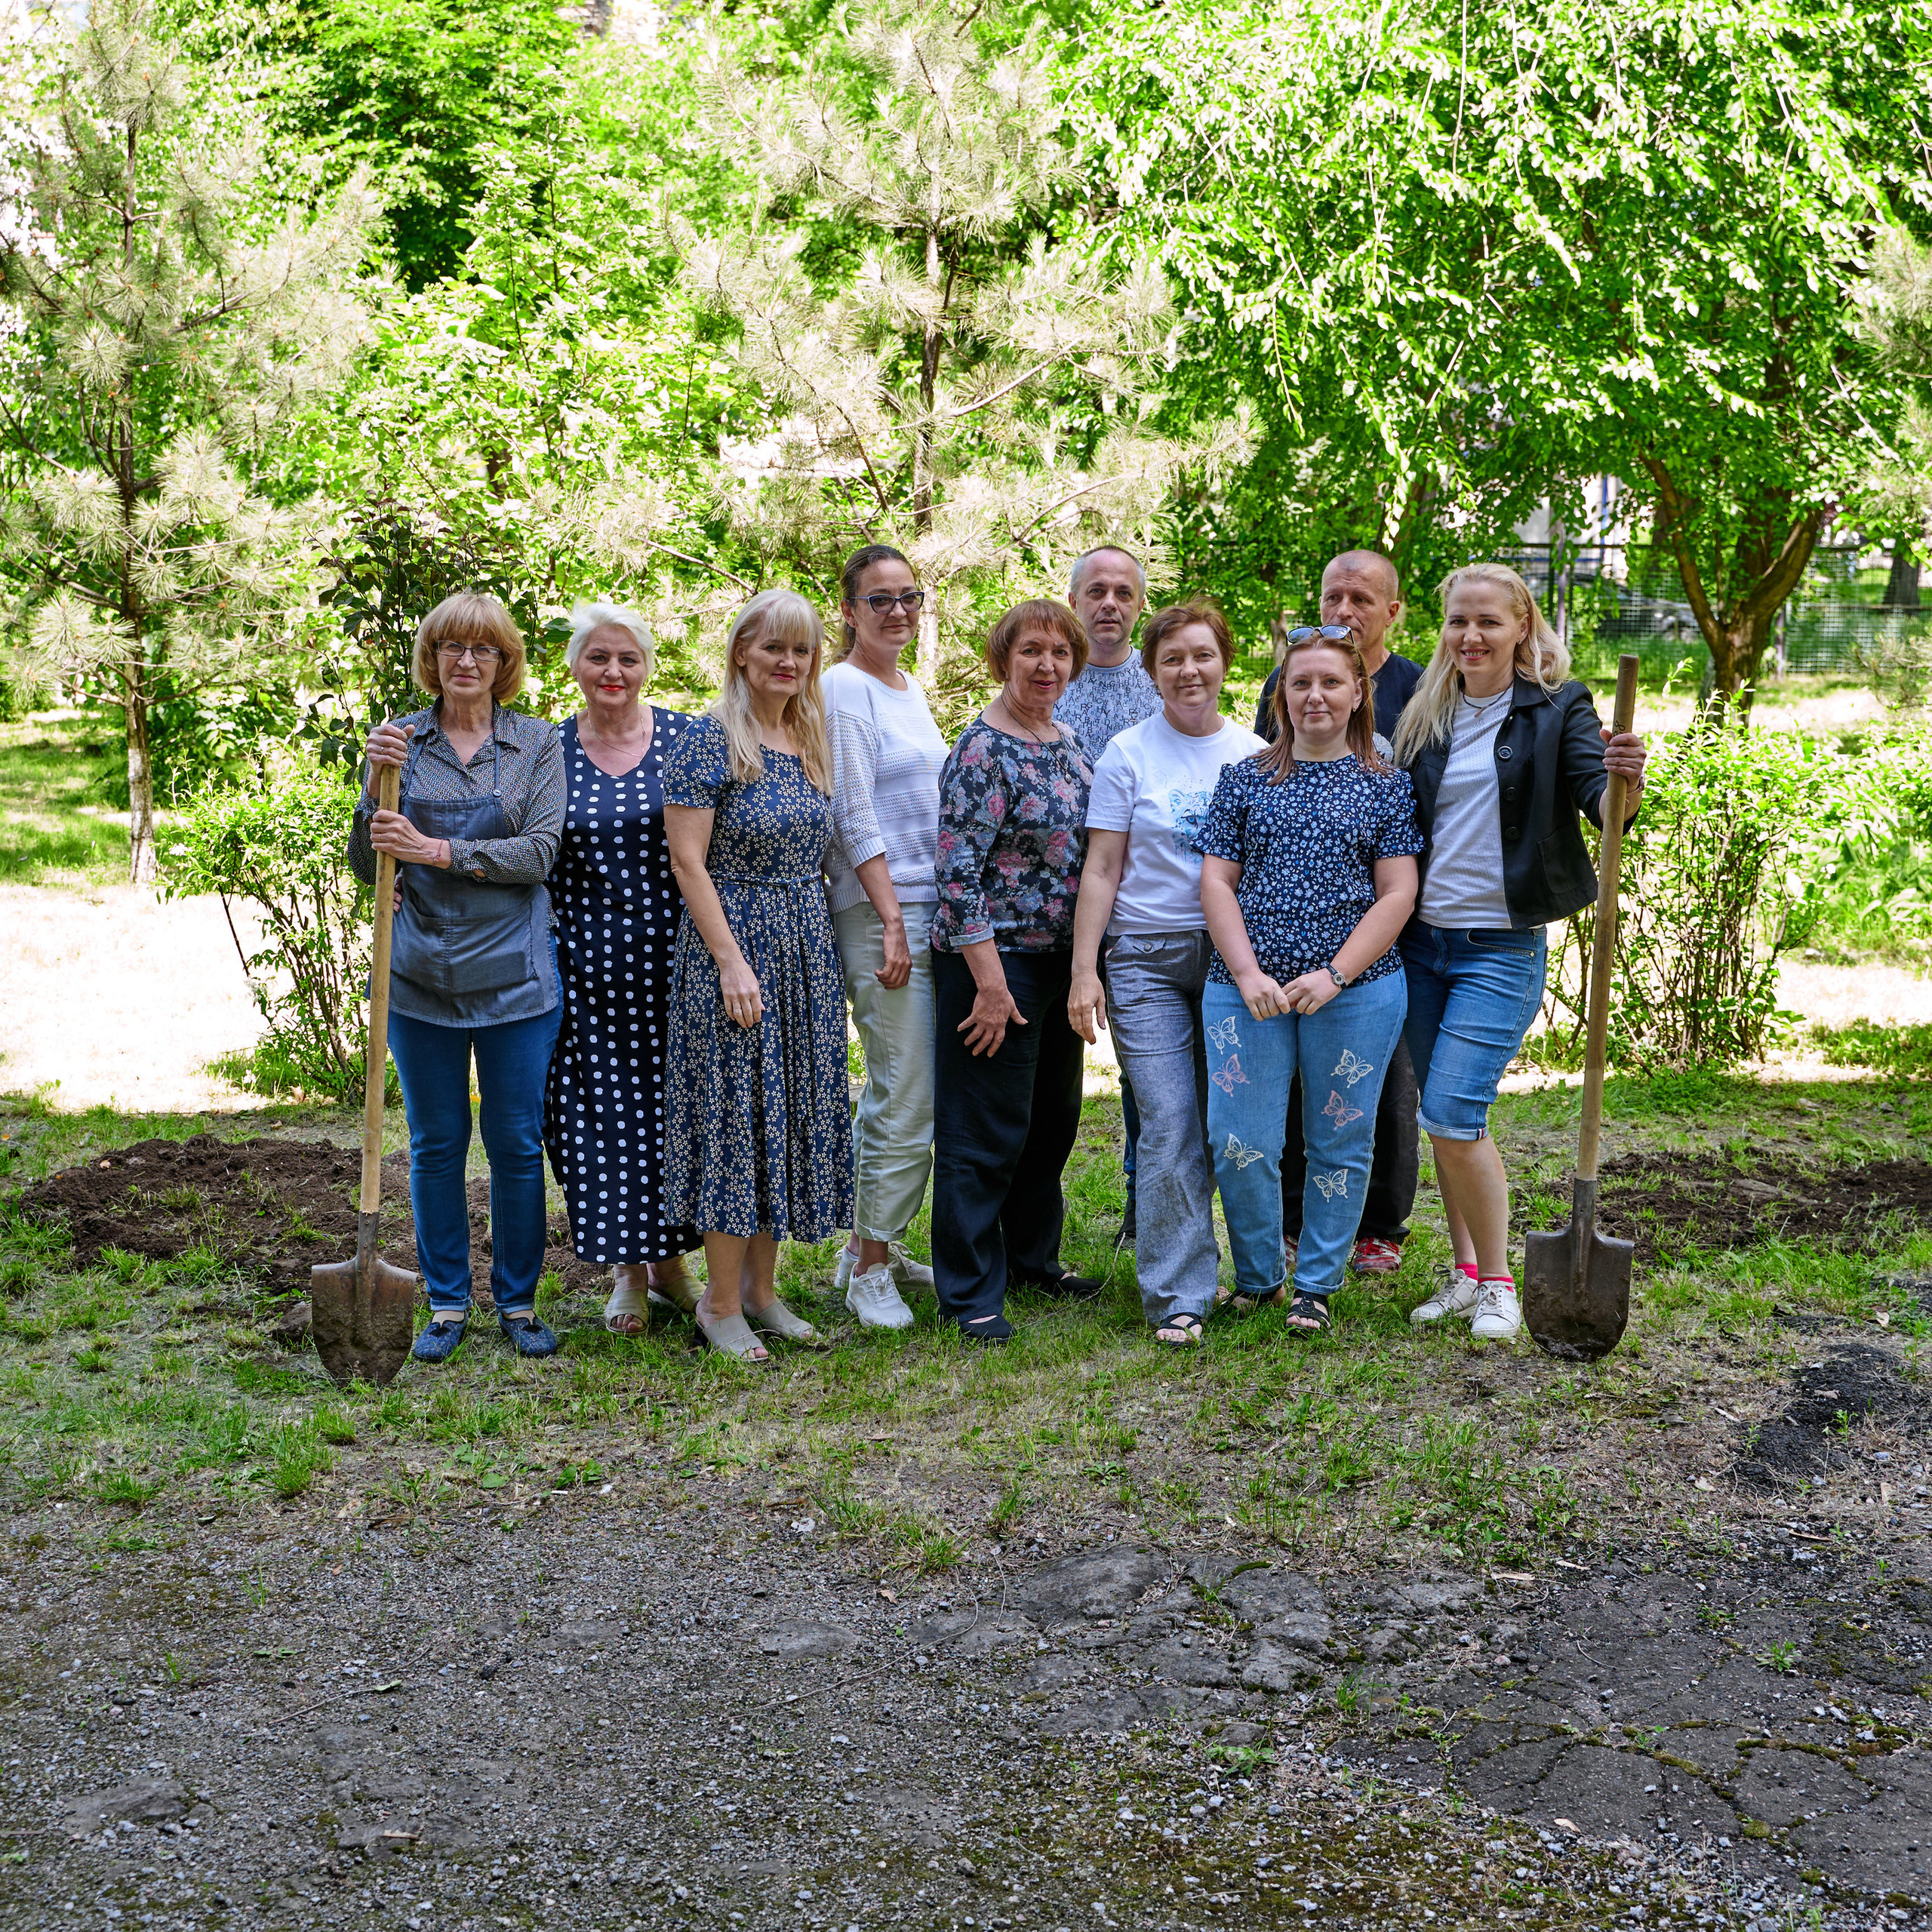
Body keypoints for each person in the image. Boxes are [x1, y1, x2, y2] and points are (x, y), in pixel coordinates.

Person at [1393, 561, 1645, 1342]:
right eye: (1457, 622)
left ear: (1522, 627)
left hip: (1498, 949)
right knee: (1444, 1119)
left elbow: (1602, 808)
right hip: (1419, 943)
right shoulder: (1423, 712)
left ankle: (1501, 1283)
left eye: (1488, 622)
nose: (1470, 636)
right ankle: (1466, 1275)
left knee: (1452, 1108)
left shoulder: (1557, 707)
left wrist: (1624, 781)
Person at [349, 592, 567, 1362]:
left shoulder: (537, 744)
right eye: (450, 648)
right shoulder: (400, 741)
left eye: (482, 649)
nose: (466, 661)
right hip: (418, 979)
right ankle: (446, 1302)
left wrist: (434, 851)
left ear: (504, 662)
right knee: (437, 1142)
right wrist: (375, 786)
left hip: (516, 979)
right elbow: (365, 858)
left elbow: (540, 854)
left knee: (513, 1140)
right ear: (432, 658)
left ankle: (517, 1300)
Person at [1196, 628, 1424, 1334]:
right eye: (1301, 683)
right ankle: (1260, 1276)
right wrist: (1246, 972)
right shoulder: (1244, 778)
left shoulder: (1387, 785)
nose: (1315, 695)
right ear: (1281, 695)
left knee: (1340, 1140)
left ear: (1359, 693)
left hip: (1355, 992)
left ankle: (1317, 1286)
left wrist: (1333, 975)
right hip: (1248, 991)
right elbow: (1216, 880)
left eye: (1331, 682)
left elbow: (1397, 894)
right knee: (1243, 1141)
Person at [663, 589, 854, 1363]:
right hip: (733, 949)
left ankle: (762, 1293)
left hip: (804, 945)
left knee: (786, 1114)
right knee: (738, 1119)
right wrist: (731, 960)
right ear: (742, 650)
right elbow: (687, 860)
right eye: (773, 646)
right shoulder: (711, 740)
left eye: (801, 649)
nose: (788, 661)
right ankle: (716, 1302)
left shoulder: (808, 735)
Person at [1067, 601, 1264, 1347]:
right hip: (1143, 959)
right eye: (1173, 658)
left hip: (1229, 959)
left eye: (1202, 655)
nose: (1188, 670)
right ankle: (1177, 1292)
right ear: (1152, 673)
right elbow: (1103, 867)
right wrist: (1086, 970)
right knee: (1170, 1121)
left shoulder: (1251, 754)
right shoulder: (1126, 753)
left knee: (1234, 1121)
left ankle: (1256, 1272)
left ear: (1224, 663)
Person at [931, 599, 1100, 1343]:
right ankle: (968, 1288)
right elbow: (956, 869)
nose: (1046, 665)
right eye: (1031, 650)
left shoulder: (1069, 739)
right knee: (984, 1129)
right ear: (1004, 658)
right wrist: (990, 983)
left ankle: (1033, 1260)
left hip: (1060, 962)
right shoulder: (982, 748)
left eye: (1060, 653)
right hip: (992, 965)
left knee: (1049, 1123)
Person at [1256, 551, 1424, 1281]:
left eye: (1362, 598)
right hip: (1297, 915)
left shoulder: (1421, 688)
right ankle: (1297, 1218)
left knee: (1380, 1076)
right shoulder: (1289, 672)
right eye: (1333, 596)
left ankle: (1379, 1224)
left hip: (1391, 905)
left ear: (1392, 612)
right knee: (1300, 1075)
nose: (1345, 610)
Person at [542, 601, 700, 1337]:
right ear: (575, 665)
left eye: (627, 659)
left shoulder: (683, 736)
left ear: (646, 668)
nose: (613, 671)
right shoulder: (548, 749)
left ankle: (672, 1270)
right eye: (598, 657)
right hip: (580, 964)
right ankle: (628, 1277)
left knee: (673, 1121)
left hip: (675, 960)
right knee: (598, 1124)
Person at [823, 545, 947, 1330]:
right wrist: (893, 919)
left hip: (926, 906)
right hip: (880, 912)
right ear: (848, 610)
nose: (897, 611)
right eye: (879, 600)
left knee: (894, 1089)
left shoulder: (906, 685)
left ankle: (871, 1241)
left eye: (908, 596)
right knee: (909, 1089)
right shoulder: (843, 688)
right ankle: (870, 1268)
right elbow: (854, 812)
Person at [1054, 545, 1159, 1244]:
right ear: (1076, 601)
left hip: (1140, 909)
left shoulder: (1163, 682)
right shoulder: (1048, 675)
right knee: (1053, 1078)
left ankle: (1140, 1203)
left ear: (1140, 604)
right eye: (1096, 591)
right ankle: (1034, 1219)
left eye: (1124, 592)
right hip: (1049, 905)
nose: (1110, 604)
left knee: (1144, 1069)